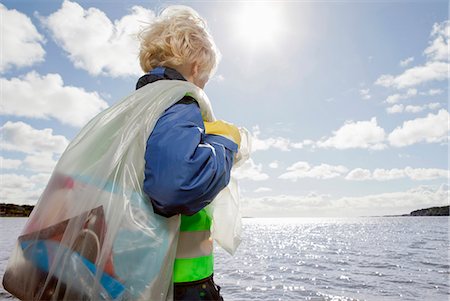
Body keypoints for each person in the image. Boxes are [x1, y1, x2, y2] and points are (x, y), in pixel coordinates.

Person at [136, 6, 241, 301]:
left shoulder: (136, 110)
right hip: (181, 286)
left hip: (141, 277)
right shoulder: (179, 103)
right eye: (206, 79)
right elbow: (177, 187)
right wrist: (226, 142)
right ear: (196, 67)